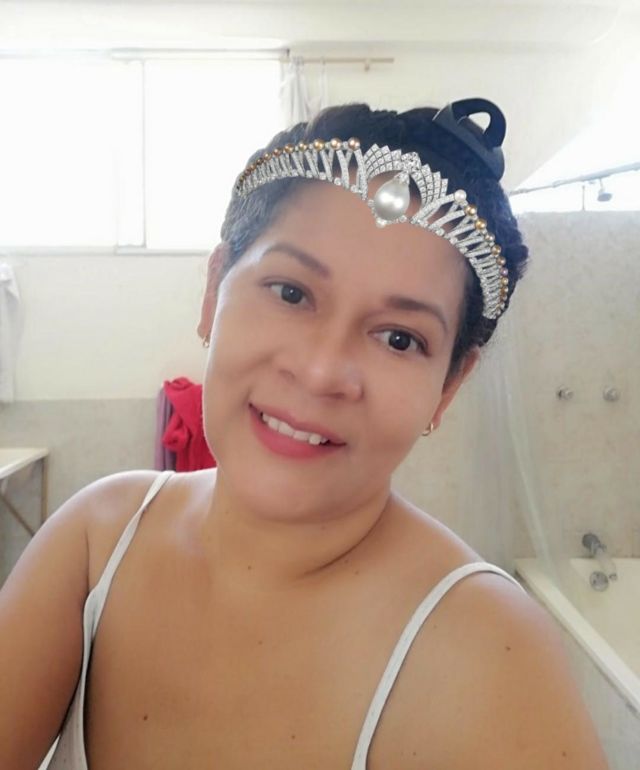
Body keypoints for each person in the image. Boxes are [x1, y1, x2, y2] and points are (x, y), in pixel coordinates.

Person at [0, 98, 609, 770]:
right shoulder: (98, 539)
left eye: (399, 338)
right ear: (213, 291)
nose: (321, 373)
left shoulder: (491, 658)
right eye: (291, 293)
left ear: (449, 386)